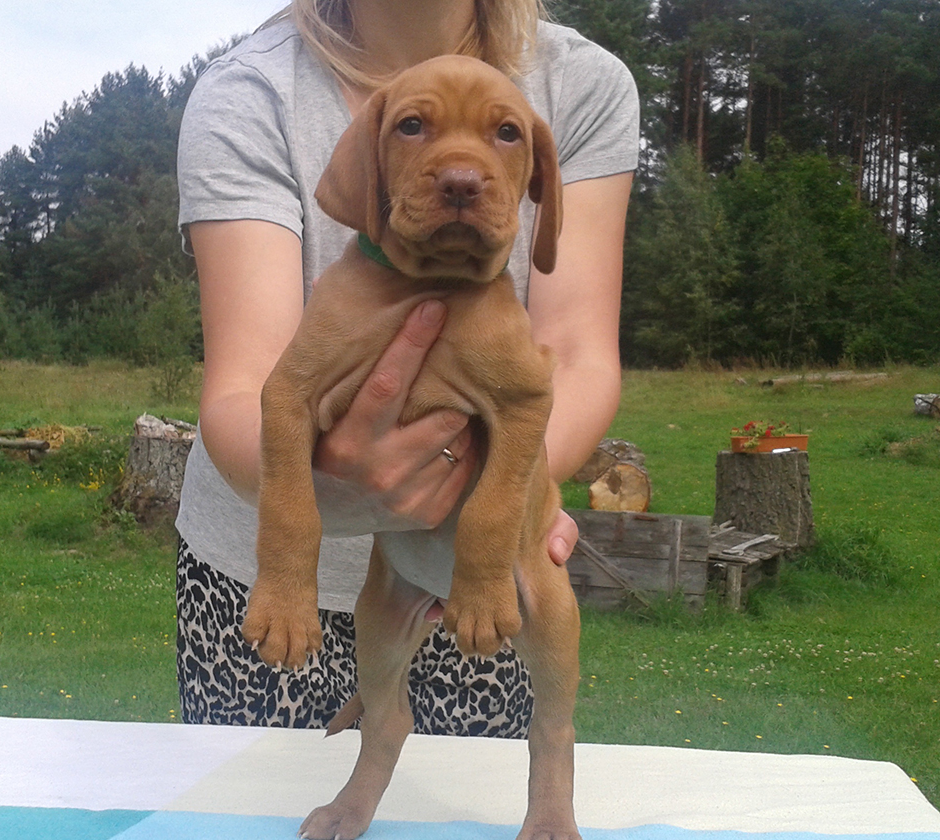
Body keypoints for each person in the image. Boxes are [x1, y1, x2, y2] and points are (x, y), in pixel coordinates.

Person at [174, 0, 638, 736]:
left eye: (502, 135)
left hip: (472, 577)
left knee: (464, 792)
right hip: (264, 581)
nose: (461, 173)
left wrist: (502, 512)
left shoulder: (582, 82)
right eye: (415, 128)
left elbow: (575, 357)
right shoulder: (249, 89)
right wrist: (300, 543)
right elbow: (251, 387)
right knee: (259, 793)